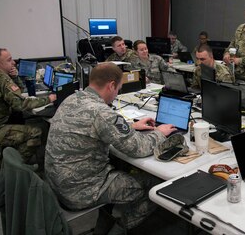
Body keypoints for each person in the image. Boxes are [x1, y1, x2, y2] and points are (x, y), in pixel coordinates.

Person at [45, 62, 177, 233]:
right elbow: (138, 148)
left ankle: (109, 221)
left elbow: (94, 126)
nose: (116, 95)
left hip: (58, 184)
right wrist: (159, 132)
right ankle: (119, 229)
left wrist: (130, 125)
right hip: (82, 191)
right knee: (154, 187)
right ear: (111, 85)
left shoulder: (72, 98)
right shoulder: (102, 112)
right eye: (118, 89)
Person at [0, 48, 56, 168]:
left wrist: (15, 77)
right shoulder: (1, 78)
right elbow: (19, 104)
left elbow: (19, 91)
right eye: (9, 60)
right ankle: (13, 167)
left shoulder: (1, 76)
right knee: (36, 132)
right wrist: (49, 99)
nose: (13, 62)